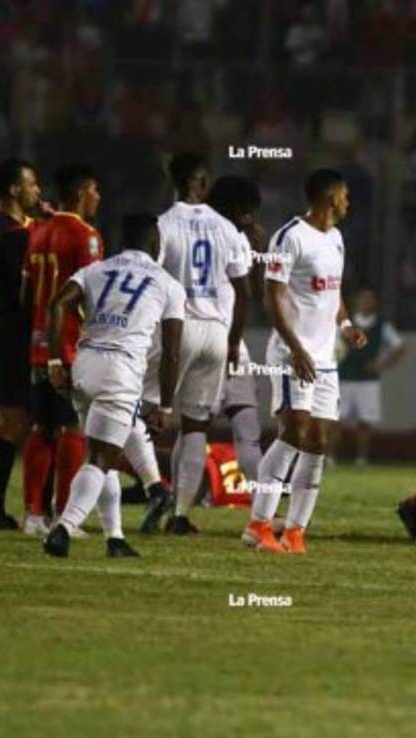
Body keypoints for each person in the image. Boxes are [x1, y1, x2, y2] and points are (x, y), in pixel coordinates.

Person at [42, 213, 185, 558]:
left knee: (101, 451)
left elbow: (58, 304)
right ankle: (63, 527)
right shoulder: (168, 284)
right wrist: (165, 405)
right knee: (100, 459)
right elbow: (172, 353)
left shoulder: (96, 269)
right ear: (156, 245)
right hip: (120, 371)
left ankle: (115, 538)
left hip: (84, 363)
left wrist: (55, 360)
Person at [242, 169, 367, 555]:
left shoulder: (336, 238)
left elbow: (334, 292)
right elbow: (272, 296)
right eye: (345, 196)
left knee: (319, 440)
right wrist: (295, 348)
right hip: (291, 353)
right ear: (330, 198)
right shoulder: (290, 237)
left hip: (325, 356)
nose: (348, 202)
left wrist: (346, 325)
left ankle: (295, 531)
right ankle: (258, 525)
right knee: (294, 430)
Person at [150, 152, 252, 534]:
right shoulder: (227, 228)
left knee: (138, 413)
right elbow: (243, 292)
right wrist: (234, 342)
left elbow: (150, 277)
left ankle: (143, 488)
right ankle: (179, 515)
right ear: (201, 180)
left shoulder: (163, 225)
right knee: (196, 427)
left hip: (176, 328)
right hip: (215, 333)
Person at [19, 163, 104, 536]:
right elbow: (91, 296)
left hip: (38, 341)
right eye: (94, 191)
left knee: (41, 427)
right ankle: (63, 514)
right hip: (69, 344)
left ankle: (32, 514)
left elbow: (26, 295)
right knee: (72, 428)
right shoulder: (86, 236)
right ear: (80, 193)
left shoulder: (36, 231)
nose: (98, 198)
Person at [0, 159, 43, 529]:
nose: (37, 190)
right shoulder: (17, 234)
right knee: (12, 419)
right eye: (31, 184)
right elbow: (25, 290)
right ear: (14, 189)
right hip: (10, 330)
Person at [207, 174, 266, 482]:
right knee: (247, 431)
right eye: (247, 209)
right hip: (227, 340)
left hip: (192, 336)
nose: (250, 217)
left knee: (191, 430)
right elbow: (250, 295)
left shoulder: (190, 227)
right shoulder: (234, 237)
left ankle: (171, 503)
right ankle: (262, 514)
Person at [337, 287, 406, 466]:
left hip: (368, 380)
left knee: (365, 422)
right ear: (356, 301)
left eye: (370, 299)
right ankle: (329, 457)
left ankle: (361, 458)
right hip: (345, 377)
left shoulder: (382, 325)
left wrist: (382, 364)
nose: (366, 302)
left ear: (376, 303)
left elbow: (400, 348)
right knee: (335, 420)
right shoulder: (346, 323)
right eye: (363, 298)